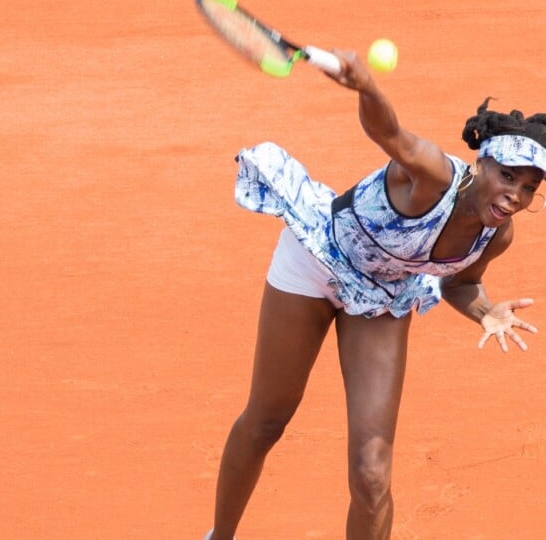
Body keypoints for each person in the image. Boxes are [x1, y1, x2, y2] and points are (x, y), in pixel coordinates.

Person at [204, 50, 546, 540]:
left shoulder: (498, 235)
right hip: (316, 262)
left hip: (382, 296)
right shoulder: (433, 176)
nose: (515, 194)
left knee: (371, 473)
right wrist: (367, 87)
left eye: (529, 188)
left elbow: (460, 282)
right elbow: (389, 133)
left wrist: (485, 310)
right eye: (508, 176)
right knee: (267, 420)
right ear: (483, 162)